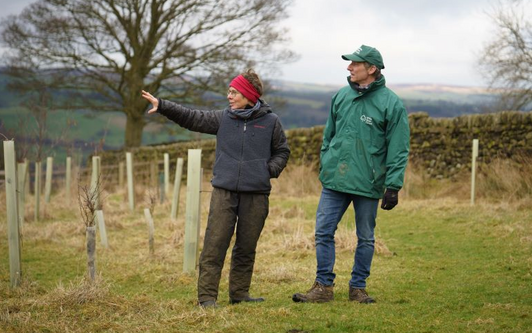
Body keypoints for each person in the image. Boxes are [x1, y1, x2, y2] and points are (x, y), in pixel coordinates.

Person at [141, 69, 290, 308]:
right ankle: (207, 298)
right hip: (224, 192)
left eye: (234, 92)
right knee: (215, 244)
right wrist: (163, 105)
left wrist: (267, 170)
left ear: (248, 95)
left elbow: (282, 151)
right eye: (229, 91)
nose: (228, 96)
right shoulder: (223, 119)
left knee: (246, 246)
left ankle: (239, 295)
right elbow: (191, 117)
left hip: (257, 194)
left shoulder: (271, 122)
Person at [292, 44, 410, 304]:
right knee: (323, 231)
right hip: (335, 180)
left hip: (367, 183)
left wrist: (393, 185)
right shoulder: (341, 96)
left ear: (371, 68)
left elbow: (399, 148)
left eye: (355, 64)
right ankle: (323, 287)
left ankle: (358, 288)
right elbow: (328, 136)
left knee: (365, 237)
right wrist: (327, 162)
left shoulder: (391, 104)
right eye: (350, 63)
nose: (349, 67)